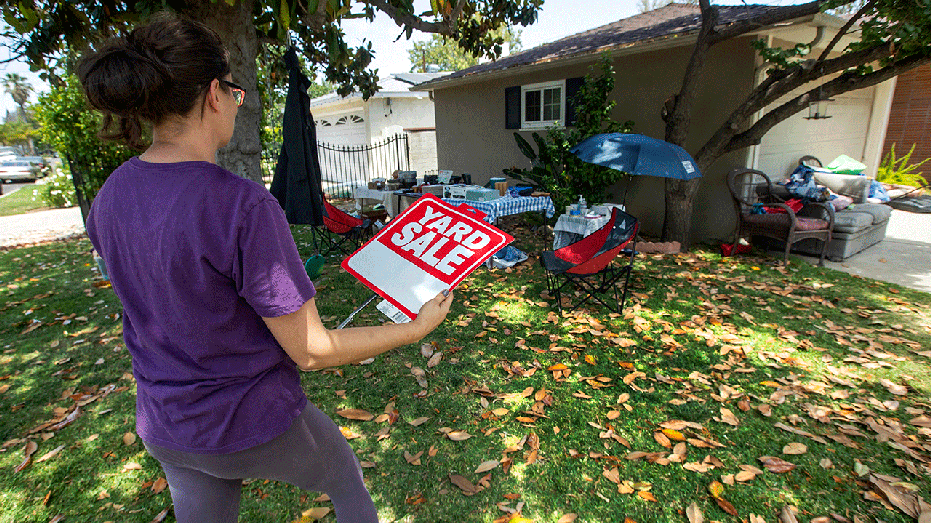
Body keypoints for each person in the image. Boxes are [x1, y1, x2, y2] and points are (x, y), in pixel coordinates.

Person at [77, 13, 453, 523]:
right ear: (214, 93)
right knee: (344, 479)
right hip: (248, 421)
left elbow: (177, 288)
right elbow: (313, 351)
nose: (238, 100)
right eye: (234, 89)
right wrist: (415, 329)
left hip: (166, 424)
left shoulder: (111, 195)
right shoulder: (242, 205)